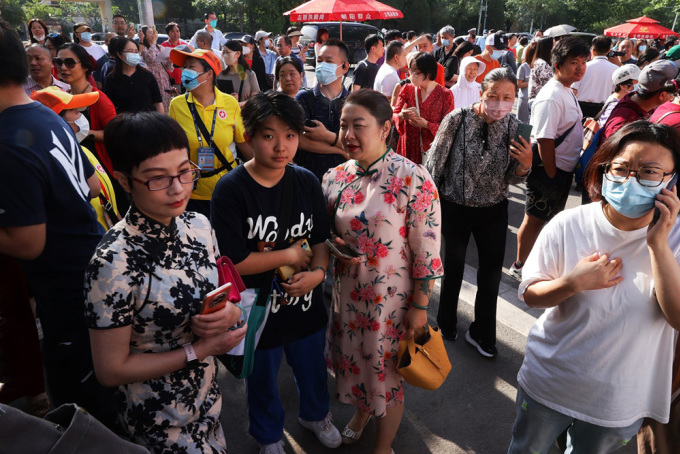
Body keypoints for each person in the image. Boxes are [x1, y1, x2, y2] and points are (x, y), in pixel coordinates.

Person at [507, 120, 680, 453]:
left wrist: (658, 246)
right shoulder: (569, 223)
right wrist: (572, 282)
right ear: (605, 170)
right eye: (622, 168)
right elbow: (530, 293)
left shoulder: (674, 239)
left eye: (649, 172)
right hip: (550, 383)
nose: (632, 180)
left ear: (671, 180)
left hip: (618, 399)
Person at [86, 111, 245, 452]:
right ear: (124, 181)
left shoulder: (198, 225)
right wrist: (198, 350)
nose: (177, 188)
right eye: (157, 178)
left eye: (185, 171)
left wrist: (229, 315)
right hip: (157, 423)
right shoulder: (113, 262)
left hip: (208, 404)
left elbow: (224, 294)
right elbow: (110, 370)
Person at [0, 19, 116, 428]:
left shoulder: (8, 140)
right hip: (92, 266)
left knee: (82, 408)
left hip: (67, 288)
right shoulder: (45, 113)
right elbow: (90, 184)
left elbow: (28, 243)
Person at [211, 91, 341, 454]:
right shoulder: (231, 189)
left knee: (312, 367)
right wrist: (286, 253)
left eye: (290, 135)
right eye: (269, 135)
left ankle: (316, 415)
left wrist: (318, 273)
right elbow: (234, 261)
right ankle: (268, 435)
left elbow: (319, 239)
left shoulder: (305, 182)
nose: (281, 146)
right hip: (256, 309)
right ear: (249, 136)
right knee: (262, 376)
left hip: (305, 302)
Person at [322, 89, 443, 454]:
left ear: (386, 128)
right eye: (343, 126)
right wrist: (333, 247)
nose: (348, 135)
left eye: (359, 126)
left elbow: (428, 252)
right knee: (356, 364)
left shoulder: (412, 178)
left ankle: (383, 447)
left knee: (386, 375)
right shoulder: (333, 177)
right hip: (348, 296)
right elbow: (323, 233)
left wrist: (419, 307)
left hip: (392, 304)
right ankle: (362, 413)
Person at [426, 68, 532, 354]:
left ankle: (483, 334)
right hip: (454, 208)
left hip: (493, 211)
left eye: (507, 97)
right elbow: (434, 166)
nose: (500, 103)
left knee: (490, 277)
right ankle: (445, 322)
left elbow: (515, 178)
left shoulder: (516, 127)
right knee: (453, 270)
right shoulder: (457, 119)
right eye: (493, 96)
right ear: (481, 94)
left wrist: (525, 163)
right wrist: (427, 211)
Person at [511, 37, 589, 280]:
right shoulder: (552, 95)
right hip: (548, 170)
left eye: (584, 62)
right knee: (534, 220)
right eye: (574, 62)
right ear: (557, 65)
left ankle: (534, 263)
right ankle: (519, 266)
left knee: (545, 220)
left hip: (559, 169)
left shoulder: (566, 89)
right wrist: (552, 172)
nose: (580, 67)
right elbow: (544, 138)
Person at [168, 48, 252, 217]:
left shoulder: (230, 103)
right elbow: (171, 150)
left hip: (227, 188)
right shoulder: (176, 105)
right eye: (184, 67)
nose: (185, 71)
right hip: (191, 192)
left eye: (191, 66)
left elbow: (243, 144)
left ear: (209, 74)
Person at [30, 86, 122, 230]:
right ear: (56, 120)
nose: (81, 116)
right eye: (75, 111)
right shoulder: (55, 162)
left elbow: (105, 197)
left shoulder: (82, 150)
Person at [56, 42, 117, 176]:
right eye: (59, 62)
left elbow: (115, 134)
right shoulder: (62, 98)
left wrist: (83, 131)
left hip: (100, 170)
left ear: (84, 66)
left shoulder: (99, 99)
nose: (63, 68)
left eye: (70, 63)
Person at [295, 38, 350, 181]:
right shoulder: (304, 98)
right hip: (310, 179)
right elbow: (300, 141)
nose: (322, 65)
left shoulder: (353, 102)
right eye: (320, 61)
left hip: (345, 181)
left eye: (329, 61)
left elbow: (356, 145)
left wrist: (327, 136)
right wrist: (340, 149)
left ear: (344, 67)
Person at [392, 52, 453, 164]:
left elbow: (448, 128)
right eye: (410, 71)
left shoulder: (445, 95)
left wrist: (426, 124)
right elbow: (393, 116)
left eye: (416, 73)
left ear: (428, 74)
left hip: (430, 149)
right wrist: (401, 115)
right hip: (408, 145)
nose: (411, 76)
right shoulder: (407, 89)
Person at [601, 60, 680, 141]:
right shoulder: (622, 123)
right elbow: (610, 151)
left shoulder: (645, 105)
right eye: (675, 93)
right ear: (662, 95)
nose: (675, 97)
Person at [104, 38, 164, 113]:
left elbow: (158, 102)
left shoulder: (147, 75)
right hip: (124, 122)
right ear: (119, 54)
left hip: (148, 121)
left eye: (136, 51)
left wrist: (160, 123)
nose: (134, 54)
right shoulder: (112, 79)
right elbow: (109, 107)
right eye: (130, 51)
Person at [572, 36, 618, 118]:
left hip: (581, 108)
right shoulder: (615, 69)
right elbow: (614, 92)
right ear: (608, 51)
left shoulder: (584, 66)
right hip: (603, 110)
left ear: (592, 50)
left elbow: (574, 90)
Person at [139, 25, 175, 112]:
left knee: (166, 104)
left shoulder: (160, 48)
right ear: (144, 35)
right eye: (150, 33)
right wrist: (154, 42)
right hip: (152, 79)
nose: (153, 35)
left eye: (153, 32)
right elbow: (150, 58)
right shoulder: (143, 48)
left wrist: (170, 60)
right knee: (155, 104)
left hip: (164, 81)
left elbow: (170, 69)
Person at [218, 40, 260, 107]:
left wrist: (238, 104)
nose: (225, 55)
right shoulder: (220, 76)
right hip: (226, 115)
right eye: (223, 53)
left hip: (244, 115)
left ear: (237, 54)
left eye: (227, 52)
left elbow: (256, 98)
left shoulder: (250, 74)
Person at [161, 22, 191, 86]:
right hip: (171, 80)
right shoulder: (163, 46)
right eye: (172, 31)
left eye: (177, 31)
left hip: (185, 79)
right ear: (168, 33)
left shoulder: (184, 45)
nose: (176, 33)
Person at [527, 37, 554, 105]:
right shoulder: (542, 64)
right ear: (548, 48)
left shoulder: (540, 62)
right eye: (554, 45)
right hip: (539, 101)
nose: (556, 48)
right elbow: (550, 85)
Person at [516, 42, 535, 123]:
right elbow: (519, 84)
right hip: (524, 99)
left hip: (534, 100)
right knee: (522, 125)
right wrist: (532, 81)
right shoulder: (523, 67)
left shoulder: (539, 66)